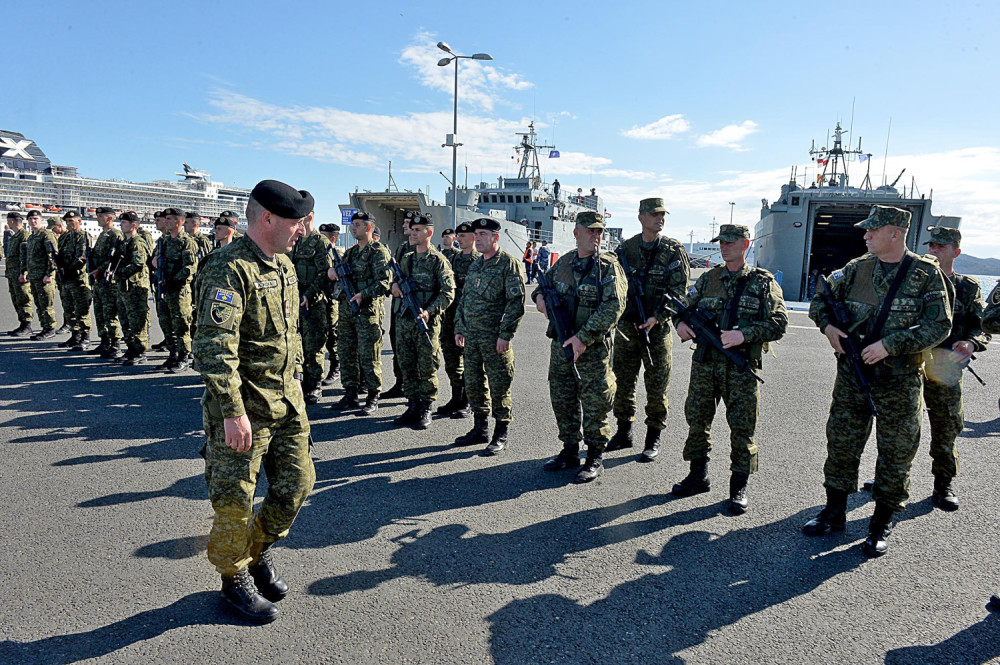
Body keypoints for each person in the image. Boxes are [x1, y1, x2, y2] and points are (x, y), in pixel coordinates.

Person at [192, 179, 316, 624]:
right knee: (235, 501)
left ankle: (257, 549)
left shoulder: (284, 265)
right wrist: (232, 411)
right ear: (268, 219)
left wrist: (297, 379)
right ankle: (234, 577)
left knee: (298, 484)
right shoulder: (228, 268)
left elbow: (290, 334)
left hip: (287, 402)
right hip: (244, 409)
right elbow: (213, 347)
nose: (302, 230)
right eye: (296, 222)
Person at [803, 205, 952, 557]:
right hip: (852, 376)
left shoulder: (925, 275)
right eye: (866, 229)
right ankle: (834, 511)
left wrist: (890, 345)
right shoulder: (856, 269)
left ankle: (881, 522)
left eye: (873, 229)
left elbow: (940, 326)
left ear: (895, 233)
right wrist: (828, 328)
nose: (866, 235)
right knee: (842, 443)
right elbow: (820, 300)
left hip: (899, 380)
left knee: (896, 453)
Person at [672, 224, 786, 513]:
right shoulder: (708, 278)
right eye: (721, 242)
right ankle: (698, 477)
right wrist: (680, 324)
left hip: (740, 367)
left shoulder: (762, 282)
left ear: (745, 244)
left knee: (742, 428)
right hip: (705, 364)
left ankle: (738, 487)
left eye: (730, 242)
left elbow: (779, 322)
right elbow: (681, 306)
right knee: (697, 421)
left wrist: (743, 335)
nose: (724, 247)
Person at [535, 211, 626, 483]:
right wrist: (539, 299)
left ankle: (595, 456)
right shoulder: (564, 263)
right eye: (590, 231)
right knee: (562, 398)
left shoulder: (608, 267)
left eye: (599, 231)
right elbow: (542, 287)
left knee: (596, 402)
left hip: (593, 350)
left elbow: (613, 307)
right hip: (561, 344)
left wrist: (583, 338)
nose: (595, 236)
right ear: (576, 233)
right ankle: (570, 449)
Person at [907, 227, 989, 510]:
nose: (933, 251)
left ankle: (943, 484)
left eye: (940, 247)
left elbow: (982, 327)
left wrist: (971, 343)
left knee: (946, 427)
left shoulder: (967, 287)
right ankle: (891, 477)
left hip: (945, 366)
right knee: (901, 426)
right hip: (911, 364)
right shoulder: (912, 283)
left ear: (956, 252)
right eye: (931, 246)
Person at [607, 198, 690, 463]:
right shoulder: (626, 249)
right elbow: (613, 285)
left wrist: (658, 316)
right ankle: (624, 432)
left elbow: (680, 293)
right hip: (628, 328)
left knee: (657, 386)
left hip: (657, 330)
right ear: (641, 217)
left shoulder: (673, 250)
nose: (660, 218)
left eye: (662, 214)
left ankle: (653, 438)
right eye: (654, 214)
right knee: (622, 382)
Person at [453, 218, 526, 454]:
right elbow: (464, 299)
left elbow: (516, 303)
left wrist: (506, 335)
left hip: (495, 339)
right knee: (473, 383)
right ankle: (480, 428)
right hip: (472, 337)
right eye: (477, 234)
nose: (478, 238)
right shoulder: (476, 264)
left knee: (499, 386)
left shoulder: (508, 264)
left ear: (496, 237)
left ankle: (501, 433)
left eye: (484, 234)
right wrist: (459, 327)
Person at [390, 213, 455, 429]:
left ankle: (426, 407)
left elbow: (448, 293)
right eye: (412, 229)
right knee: (406, 364)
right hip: (405, 321)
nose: (413, 233)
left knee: (427, 366)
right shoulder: (407, 259)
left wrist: (429, 311)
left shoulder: (438, 261)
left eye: (418, 230)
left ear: (429, 232)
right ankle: (412, 405)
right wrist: (394, 286)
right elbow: (394, 280)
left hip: (426, 323)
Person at [328, 212, 392, 415]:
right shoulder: (351, 252)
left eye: (357, 225)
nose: (353, 228)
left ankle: (373, 395)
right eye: (353, 224)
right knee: (346, 352)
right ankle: (350, 393)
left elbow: (385, 282)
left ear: (368, 227)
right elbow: (339, 273)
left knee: (369, 355)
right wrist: (332, 272)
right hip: (347, 310)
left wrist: (363, 294)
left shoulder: (378, 252)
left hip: (367, 311)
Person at [437, 223, 480, 418]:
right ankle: (456, 397)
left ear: (473, 237)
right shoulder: (451, 259)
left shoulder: (478, 261)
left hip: (469, 319)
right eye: (459, 235)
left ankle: (469, 401)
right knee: (451, 360)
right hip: (450, 317)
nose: (460, 239)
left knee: (470, 361)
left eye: (464, 235)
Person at [290, 210, 331, 404]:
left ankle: (314, 384)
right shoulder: (295, 240)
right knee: (295, 343)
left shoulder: (320, 242)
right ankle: (300, 380)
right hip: (295, 298)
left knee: (314, 345)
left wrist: (308, 294)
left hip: (313, 301)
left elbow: (325, 273)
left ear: (310, 217)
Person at [157, 208, 199, 372]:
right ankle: (172, 354)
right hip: (164, 288)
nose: (166, 221)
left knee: (181, 324)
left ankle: (183, 356)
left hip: (179, 290)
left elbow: (190, 267)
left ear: (179, 222)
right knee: (166, 322)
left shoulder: (186, 242)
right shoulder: (164, 241)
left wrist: (175, 280)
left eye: (169, 219)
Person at [382, 212, 416, 399]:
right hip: (398, 306)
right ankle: (400, 383)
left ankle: (416, 390)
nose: (404, 226)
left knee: (415, 351)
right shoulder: (402, 248)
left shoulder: (423, 250)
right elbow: (393, 274)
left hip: (414, 307)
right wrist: (393, 284)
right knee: (397, 345)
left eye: (407, 223)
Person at [115, 212, 152, 365]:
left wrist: (119, 272)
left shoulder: (137, 242)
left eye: (124, 223)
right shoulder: (125, 242)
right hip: (124, 286)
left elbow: (138, 263)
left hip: (135, 286)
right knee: (125, 319)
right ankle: (131, 348)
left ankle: (140, 350)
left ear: (133, 225)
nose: (121, 225)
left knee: (137, 320)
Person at [87, 207, 124, 358]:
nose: (97, 218)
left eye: (100, 216)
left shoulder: (115, 235)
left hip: (109, 280)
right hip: (99, 280)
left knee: (110, 312)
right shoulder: (103, 234)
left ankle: (115, 344)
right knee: (100, 311)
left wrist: (99, 269)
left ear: (109, 218)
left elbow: (114, 259)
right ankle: (104, 342)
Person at [55, 211, 94, 350]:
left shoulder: (83, 236)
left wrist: (69, 269)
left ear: (79, 221)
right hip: (66, 279)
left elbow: (81, 257)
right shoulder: (65, 237)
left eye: (72, 221)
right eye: (67, 221)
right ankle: (75, 335)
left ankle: (85, 337)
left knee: (81, 310)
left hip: (79, 279)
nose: (69, 224)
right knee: (69, 309)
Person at [20, 210, 59, 339]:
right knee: (39, 304)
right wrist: (26, 272)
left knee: (46, 305)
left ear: (41, 220)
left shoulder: (46, 235)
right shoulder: (31, 237)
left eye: (35, 219)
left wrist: (50, 274)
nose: (33, 221)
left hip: (44, 277)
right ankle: (44, 328)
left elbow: (52, 256)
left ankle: (50, 329)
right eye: (30, 219)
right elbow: (28, 257)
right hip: (34, 276)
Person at [317, 223, 341, 386]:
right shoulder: (319, 253)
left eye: (323, 236)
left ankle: (335, 367)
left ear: (332, 239)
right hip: (319, 298)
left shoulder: (338, 255)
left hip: (332, 299)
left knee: (333, 335)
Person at [4, 212, 34, 336]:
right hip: (13, 274)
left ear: (11, 222)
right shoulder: (15, 236)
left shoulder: (24, 236)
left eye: (8, 221)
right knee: (16, 299)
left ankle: (27, 325)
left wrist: (24, 272)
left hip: (20, 274)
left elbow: (26, 256)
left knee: (24, 298)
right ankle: (22, 323)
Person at [150, 211, 171, 351]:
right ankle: (167, 339)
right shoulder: (161, 240)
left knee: (172, 316)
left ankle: (175, 345)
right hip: (159, 282)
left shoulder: (172, 240)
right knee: (162, 315)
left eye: (159, 220)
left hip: (170, 284)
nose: (156, 222)